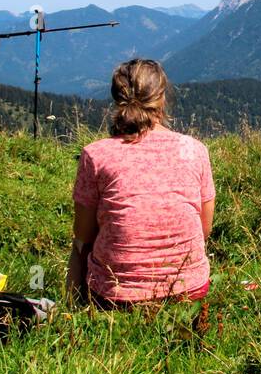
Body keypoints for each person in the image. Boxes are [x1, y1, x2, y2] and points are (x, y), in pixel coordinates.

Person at [68, 59, 215, 306]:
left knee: (79, 245)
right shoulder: (195, 150)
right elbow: (205, 230)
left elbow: (83, 233)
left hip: (114, 297)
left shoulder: (95, 155)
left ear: (117, 99)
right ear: (162, 99)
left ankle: (72, 312)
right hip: (190, 289)